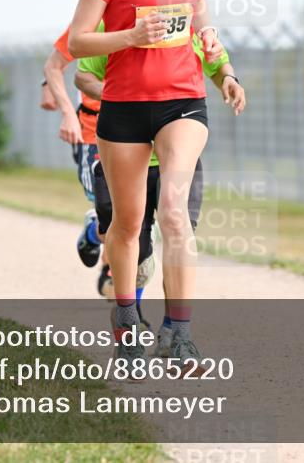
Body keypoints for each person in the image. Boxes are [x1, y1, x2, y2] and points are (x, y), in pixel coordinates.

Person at [67, 0, 225, 366]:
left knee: (175, 212)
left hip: (183, 100)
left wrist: (217, 51)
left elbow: (198, 14)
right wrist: (129, 39)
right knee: (128, 224)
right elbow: (77, 41)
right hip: (124, 106)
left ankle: (179, 333)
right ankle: (127, 320)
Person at [76, 28, 245, 354]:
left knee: (179, 229)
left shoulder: (188, 25)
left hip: (175, 156)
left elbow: (218, 63)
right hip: (126, 150)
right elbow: (84, 77)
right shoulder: (117, 25)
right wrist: (118, 96)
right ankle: (130, 321)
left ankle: (173, 331)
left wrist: (229, 78)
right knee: (135, 249)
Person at [43, 26, 103, 269]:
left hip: (139, 130)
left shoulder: (151, 19)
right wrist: (68, 113)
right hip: (92, 131)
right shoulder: (91, 20)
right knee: (110, 212)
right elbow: (54, 64)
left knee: (132, 214)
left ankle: (113, 272)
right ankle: (93, 234)